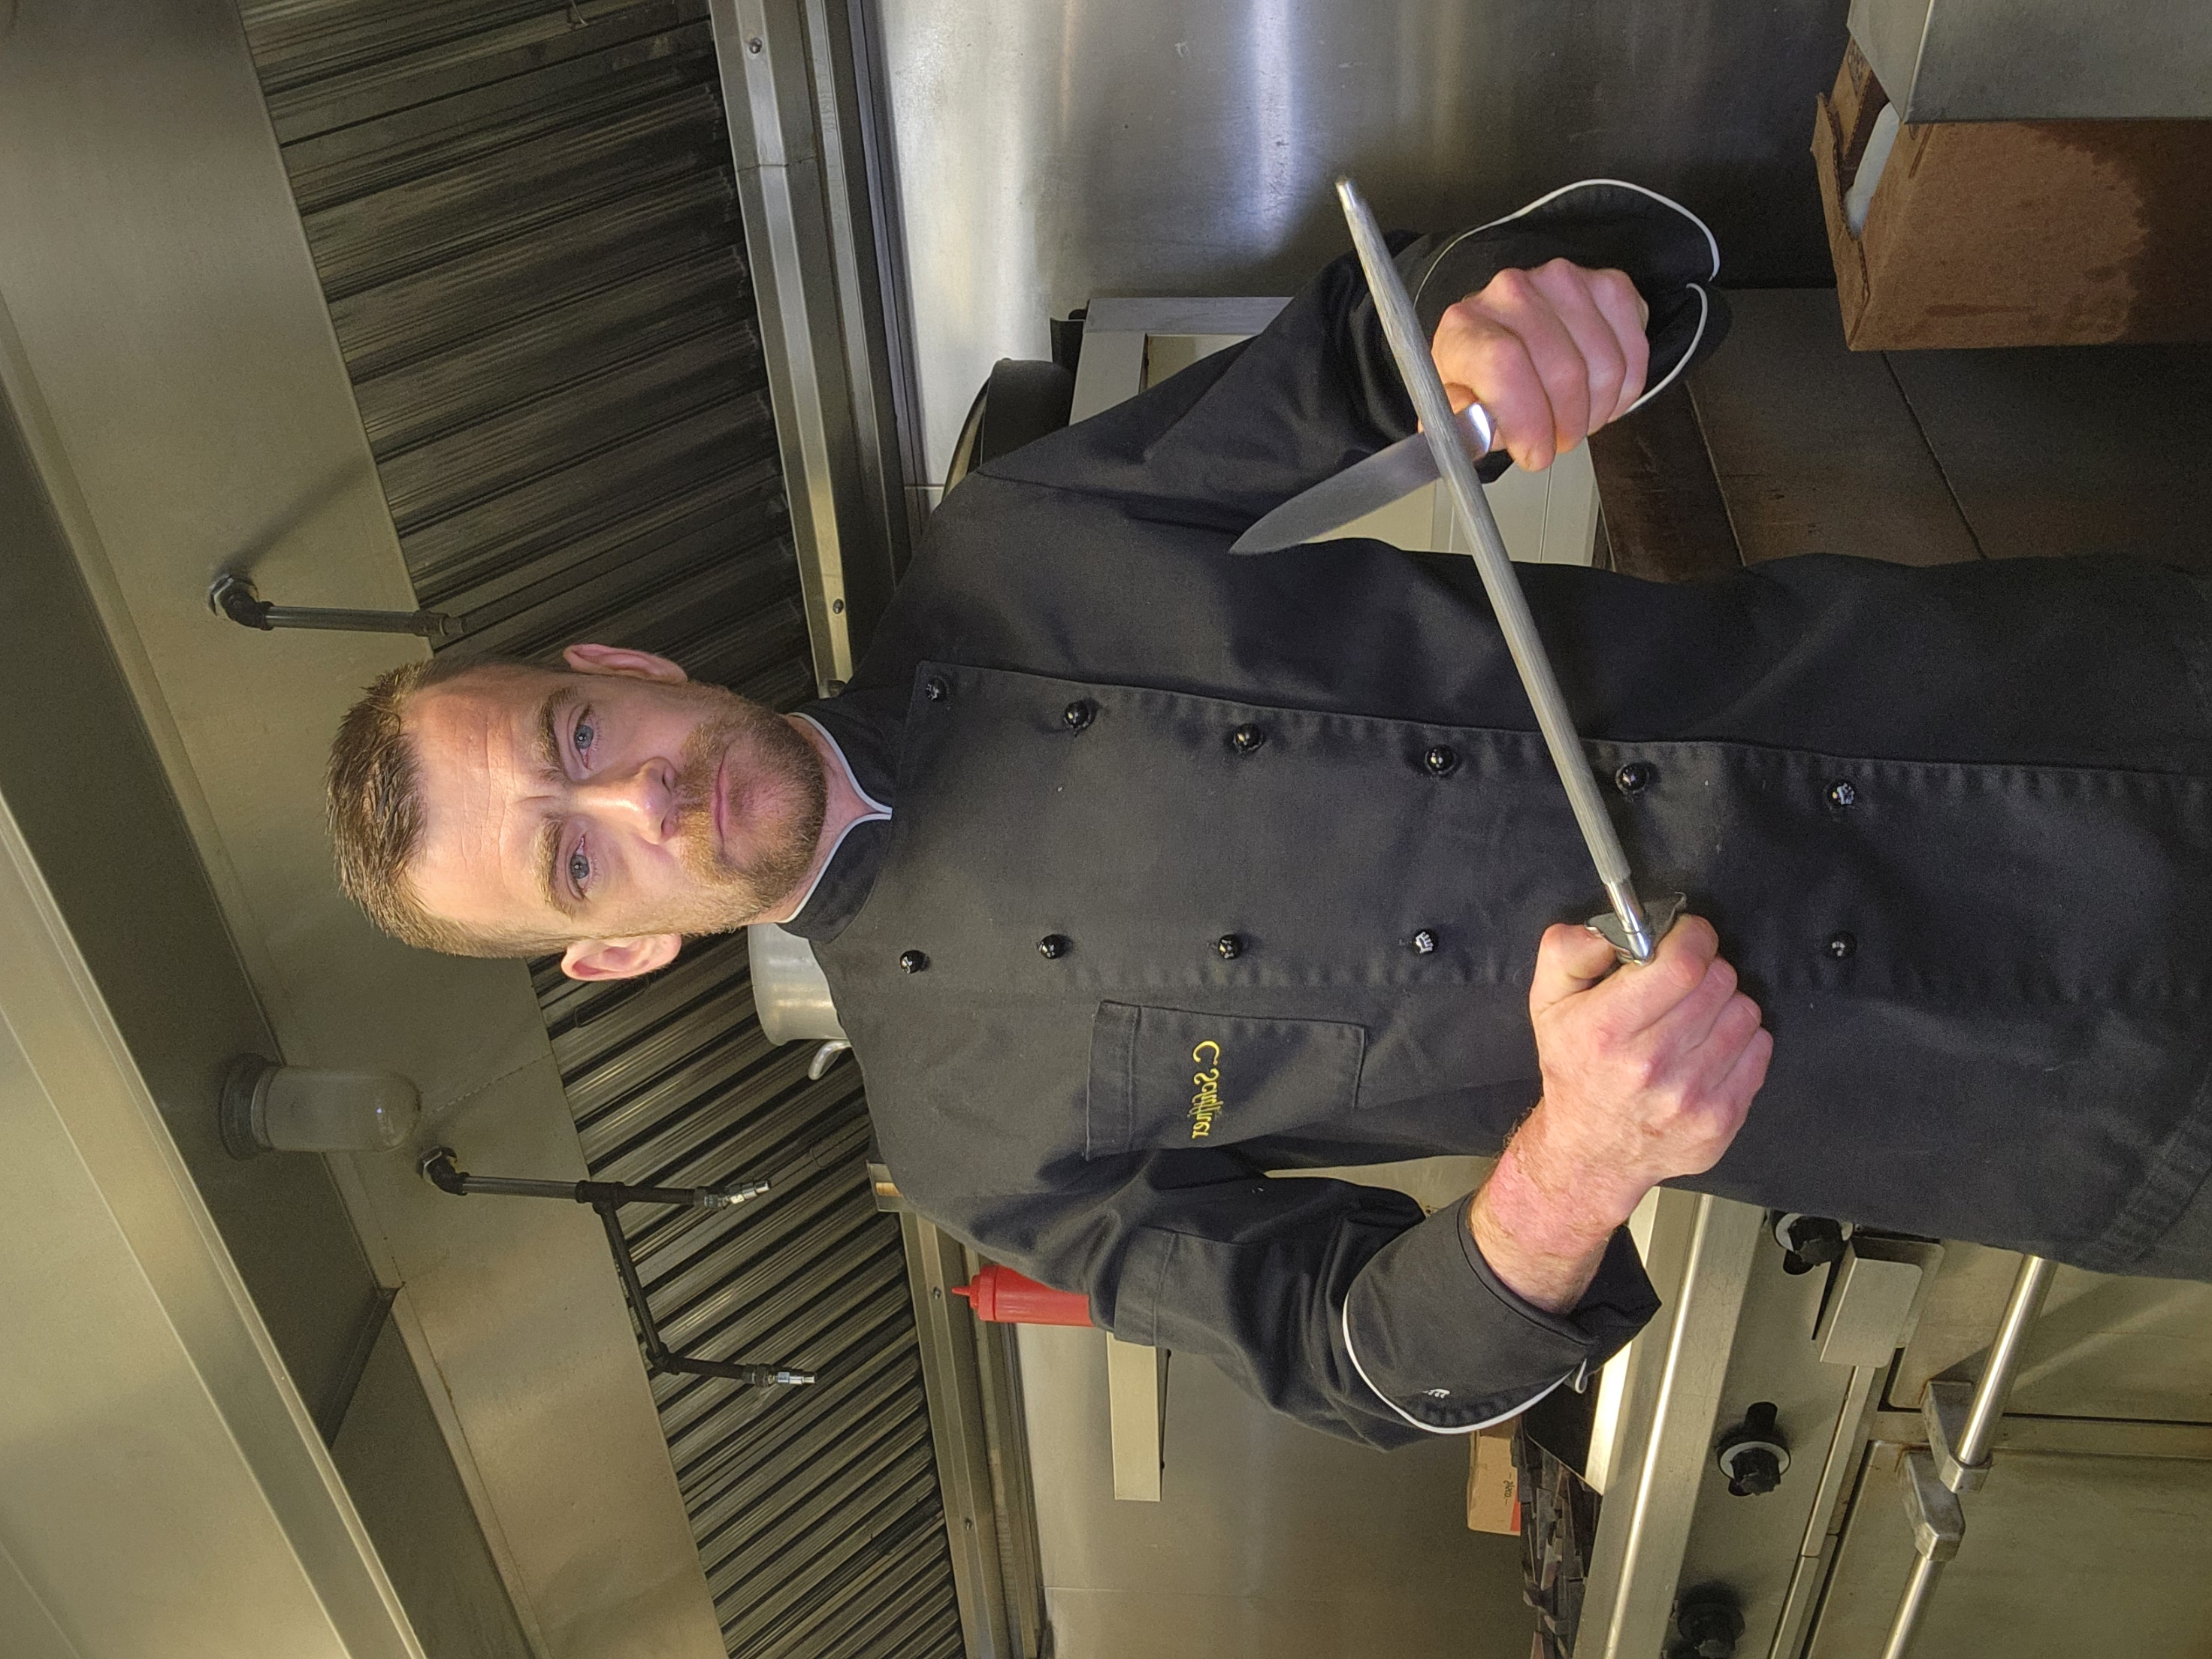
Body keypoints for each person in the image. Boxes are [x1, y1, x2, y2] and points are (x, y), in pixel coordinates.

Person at [325, 182, 2212, 1448]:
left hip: (2089, 698)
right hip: (2066, 1105)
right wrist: (1571, 1166)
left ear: (620, 656)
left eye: (576, 726)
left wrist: (1534, 319)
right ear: (619, 941)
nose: (637, 788)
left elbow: (1414, 332)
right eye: (576, 847)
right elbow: (1358, 1362)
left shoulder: (1021, 545)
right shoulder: (974, 1142)